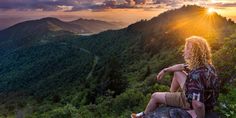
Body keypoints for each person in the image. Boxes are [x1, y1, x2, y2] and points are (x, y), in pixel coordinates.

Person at [131, 36, 219, 118]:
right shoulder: (206, 66)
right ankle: (171, 96)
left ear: (195, 52)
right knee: (177, 72)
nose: (184, 50)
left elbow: (198, 105)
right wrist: (165, 70)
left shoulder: (196, 76)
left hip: (191, 101)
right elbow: (180, 67)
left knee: (155, 96)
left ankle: (144, 115)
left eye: (188, 48)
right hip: (207, 99)